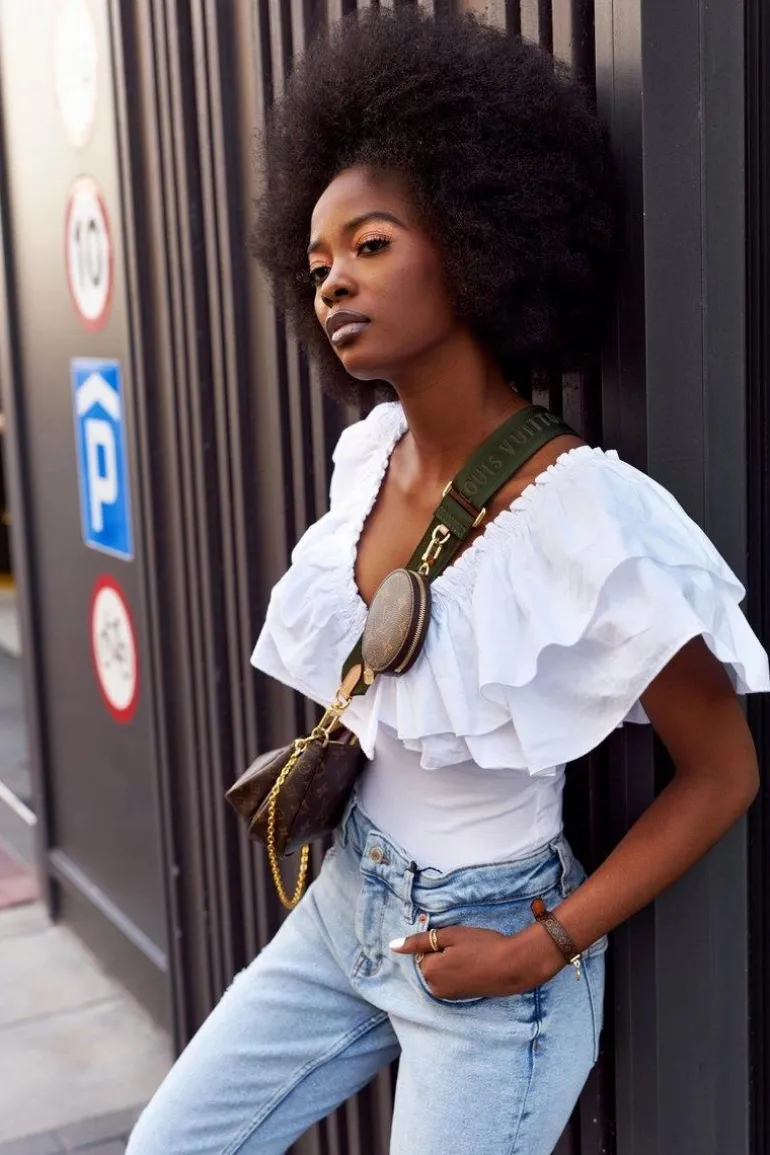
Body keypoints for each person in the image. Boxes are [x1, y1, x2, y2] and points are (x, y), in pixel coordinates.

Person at [127, 9, 769, 1154]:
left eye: (370, 246)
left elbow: (722, 773)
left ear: (475, 244)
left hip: (489, 956)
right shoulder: (366, 457)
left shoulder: (583, 514)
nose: (333, 284)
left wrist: (538, 948)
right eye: (317, 264)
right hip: (342, 906)